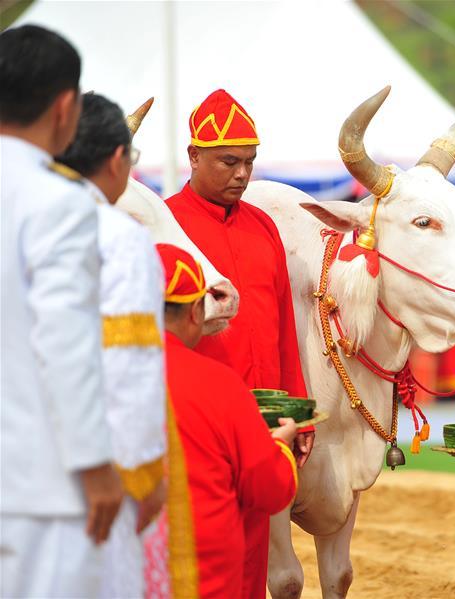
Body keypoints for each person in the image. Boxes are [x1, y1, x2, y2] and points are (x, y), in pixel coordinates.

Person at [164, 88, 312, 596]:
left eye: (249, 162)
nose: (243, 175)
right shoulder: (167, 224)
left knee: (254, 557)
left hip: (261, 424)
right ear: (193, 156)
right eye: (229, 162)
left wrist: (299, 409)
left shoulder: (263, 226)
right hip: (194, 428)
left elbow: (284, 329)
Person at [0, 25, 123, 598]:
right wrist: (95, 463)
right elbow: (65, 338)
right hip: (37, 486)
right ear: (64, 107)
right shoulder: (57, 201)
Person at [55, 92, 167, 598]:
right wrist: (142, 475)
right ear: (119, 158)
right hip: (98, 472)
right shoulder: (120, 236)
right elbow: (129, 366)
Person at [159, 242, 302, 598]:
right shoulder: (219, 384)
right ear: (196, 312)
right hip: (205, 575)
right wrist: (281, 448)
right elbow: (269, 487)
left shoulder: (90, 377)